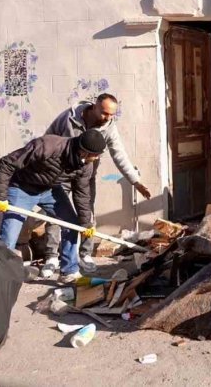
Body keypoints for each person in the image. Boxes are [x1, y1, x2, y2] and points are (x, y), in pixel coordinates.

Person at [41, 94, 151, 277]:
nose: (108, 118)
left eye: (112, 115)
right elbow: (47, 141)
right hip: (61, 175)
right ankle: (52, 256)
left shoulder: (108, 127)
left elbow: (119, 154)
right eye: (105, 113)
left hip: (85, 177)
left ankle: (85, 254)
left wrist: (136, 181)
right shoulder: (67, 119)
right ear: (94, 107)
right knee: (53, 213)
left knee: (87, 212)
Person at [0, 130, 107, 284]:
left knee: (72, 225)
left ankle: (69, 271)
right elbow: (6, 163)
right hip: (21, 188)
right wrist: (0, 197)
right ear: (84, 152)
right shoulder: (48, 146)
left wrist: (85, 223)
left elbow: (82, 194)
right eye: (96, 154)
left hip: (49, 190)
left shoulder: (86, 166)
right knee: (9, 234)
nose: (98, 157)